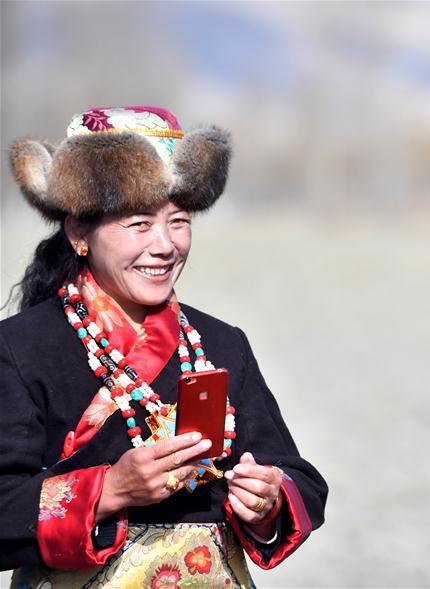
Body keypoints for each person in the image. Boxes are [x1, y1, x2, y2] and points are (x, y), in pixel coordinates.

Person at [1, 106, 327, 587]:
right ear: (78, 233)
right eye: (138, 224)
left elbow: (297, 476)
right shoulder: (20, 348)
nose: (164, 245)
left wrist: (268, 496)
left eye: (178, 220)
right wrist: (109, 490)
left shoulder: (221, 343)